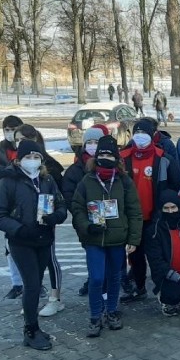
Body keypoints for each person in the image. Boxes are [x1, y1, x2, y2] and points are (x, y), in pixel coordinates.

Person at [0, 140, 67, 350]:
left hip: (43, 239)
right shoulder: (9, 181)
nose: (32, 161)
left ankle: (34, 327)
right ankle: (30, 330)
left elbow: (61, 205)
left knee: (36, 281)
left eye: (36, 157)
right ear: (18, 159)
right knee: (32, 284)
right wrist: (19, 229)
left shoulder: (47, 179)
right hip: (21, 241)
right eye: (27, 157)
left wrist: (55, 217)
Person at [71, 136, 143, 337]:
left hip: (117, 239)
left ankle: (112, 311)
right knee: (96, 278)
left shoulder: (124, 181)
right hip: (94, 239)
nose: (105, 157)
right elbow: (77, 208)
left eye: (109, 154)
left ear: (116, 158)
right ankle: (95, 315)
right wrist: (86, 226)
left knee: (113, 278)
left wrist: (133, 239)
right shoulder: (87, 180)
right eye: (101, 154)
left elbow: (134, 211)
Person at [121, 119, 180, 303]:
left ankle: (164, 291)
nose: (140, 136)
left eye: (144, 133)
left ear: (153, 135)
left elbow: (175, 183)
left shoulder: (164, 159)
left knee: (158, 257)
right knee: (135, 256)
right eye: (137, 132)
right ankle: (139, 288)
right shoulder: (123, 158)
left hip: (155, 218)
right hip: (132, 218)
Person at [14, 125, 65, 316]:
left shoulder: (49, 169)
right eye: (18, 140)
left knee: (49, 259)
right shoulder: (11, 169)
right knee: (28, 265)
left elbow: (59, 198)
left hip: (45, 223)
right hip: (22, 226)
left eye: (26, 139)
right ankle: (31, 299)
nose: (21, 143)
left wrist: (54, 215)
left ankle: (55, 297)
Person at [62, 125, 107, 297]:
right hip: (85, 222)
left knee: (111, 254)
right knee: (91, 252)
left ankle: (110, 284)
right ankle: (93, 279)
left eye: (97, 142)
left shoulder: (114, 164)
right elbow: (68, 195)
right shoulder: (75, 169)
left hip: (111, 219)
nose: (93, 145)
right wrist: (81, 216)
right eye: (90, 142)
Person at [0, 115, 25, 300]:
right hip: (8, 209)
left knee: (33, 247)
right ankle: (17, 283)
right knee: (10, 248)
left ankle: (34, 283)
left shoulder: (28, 150)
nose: (10, 133)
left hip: (27, 207)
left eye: (14, 129)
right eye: (7, 130)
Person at [145, 189, 180, 317]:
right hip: (168, 273)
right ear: (161, 209)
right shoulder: (154, 230)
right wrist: (178, 278)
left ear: (178, 207)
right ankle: (165, 299)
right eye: (166, 208)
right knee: (173, 294)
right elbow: (156, 262)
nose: (170, 211)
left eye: (173, 207)